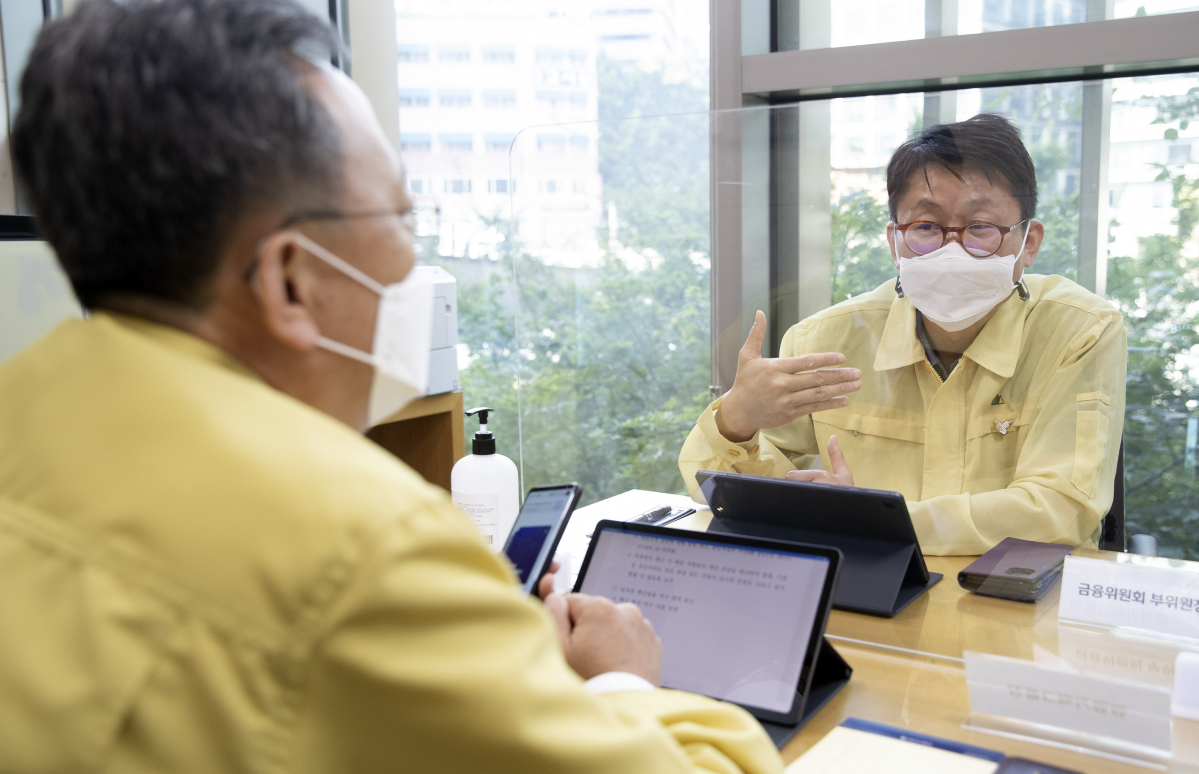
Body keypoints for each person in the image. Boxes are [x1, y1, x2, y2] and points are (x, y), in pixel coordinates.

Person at [0, 1, 781, 771]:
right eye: (399, 220)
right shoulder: (363, 546)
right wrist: (620, 680)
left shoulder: (23, 409)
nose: (412, 265)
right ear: (291, 280)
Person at [680, 114, 1126, 556]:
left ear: (1029, 242)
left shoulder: (1079, 331)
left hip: (1015, 593)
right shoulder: (823, 341)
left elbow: (1059, 510)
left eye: (980, 227)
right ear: (894, 241)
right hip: (864, 586)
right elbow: (729, 497)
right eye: (926, 227)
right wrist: (735, 423)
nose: (952, 248)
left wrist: (869, 521)